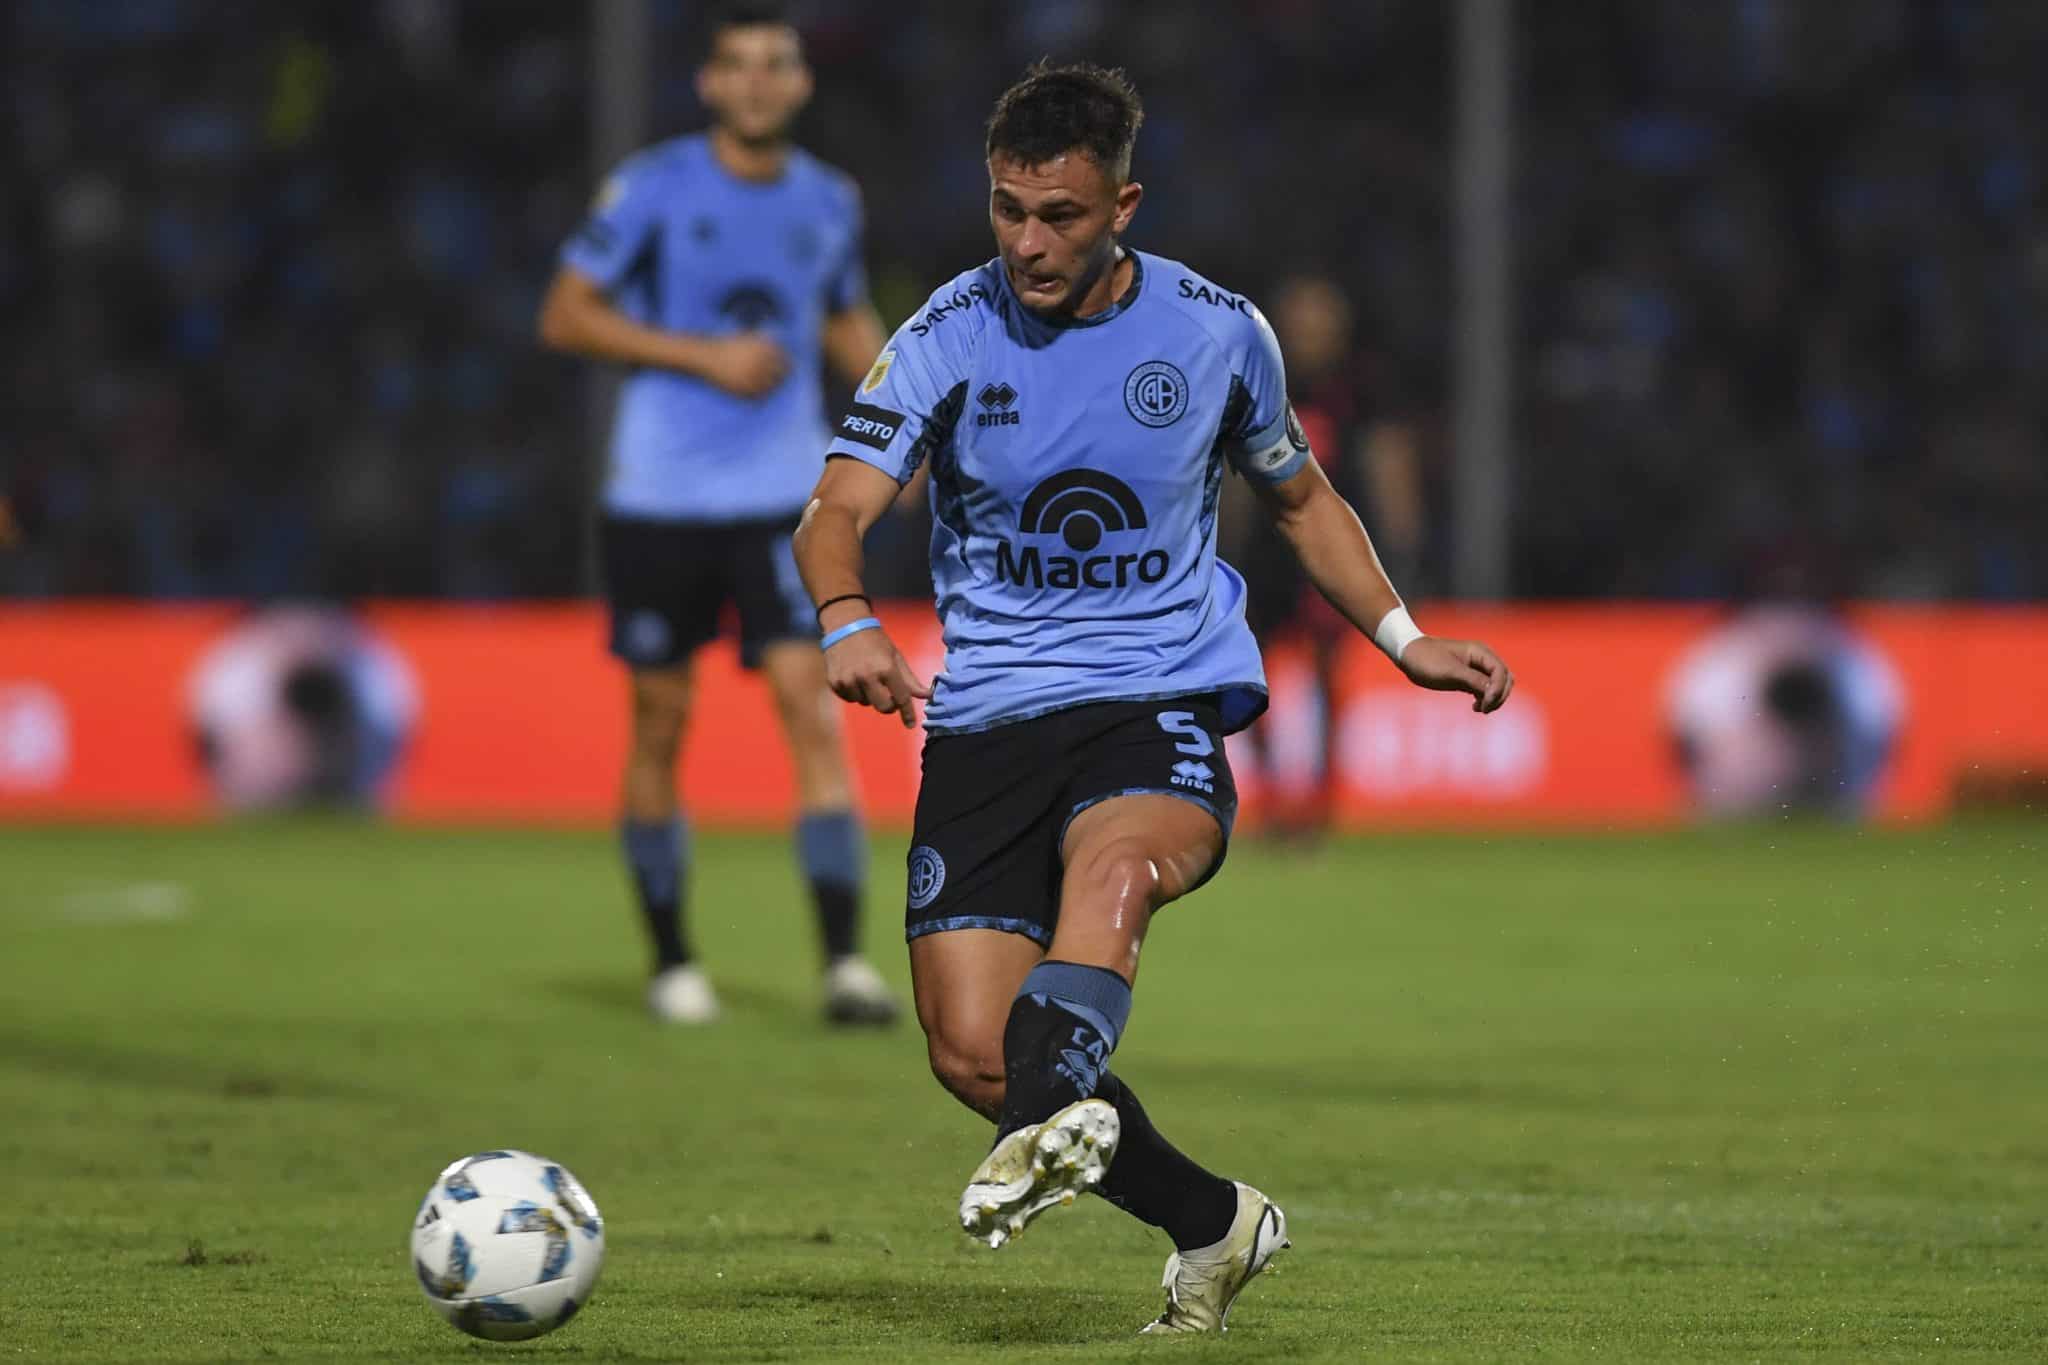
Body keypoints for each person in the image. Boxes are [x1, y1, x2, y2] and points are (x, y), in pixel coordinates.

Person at [794, 62, 1514, 1333]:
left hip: (1154, 700)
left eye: (1059, 215)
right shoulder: (945, 334)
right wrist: (846, 616)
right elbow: (837, 510)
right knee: (973, 1051)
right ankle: (1214, 1224)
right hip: (985, 725)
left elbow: (1300, 498)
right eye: (1008, 210)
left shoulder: (1214, 331)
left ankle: (1038, 1130)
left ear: (1121, 202)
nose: (1027, 241)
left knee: (1114, 871)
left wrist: (1401, 636)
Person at [537, 3, 898, 1027]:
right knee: (661, 721)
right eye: (734, 65)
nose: (753, 81)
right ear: (708, 83)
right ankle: (671, 962)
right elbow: (564, 313)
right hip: (657, 494)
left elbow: (839, 315)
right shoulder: (653, 186)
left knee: (811, 708)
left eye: (771, 64)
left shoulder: (828, 201)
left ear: (797, 84)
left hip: (784, 497)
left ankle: (839, 965)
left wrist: (893, 413)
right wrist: (704, 357)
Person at [1221, 273, 1430, 838]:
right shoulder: (1261, 382)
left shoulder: (1362, 389)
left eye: (1320, 321)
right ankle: (1268, 795)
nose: (1310, 332)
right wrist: (1227, 545)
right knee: (1250, 671)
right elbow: (1235, 474)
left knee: (1324, 673)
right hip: (1266, 553)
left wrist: (1402, 542)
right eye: (1301, 320)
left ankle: (1318, 801)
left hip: (1328, 548)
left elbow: (1390, 462)